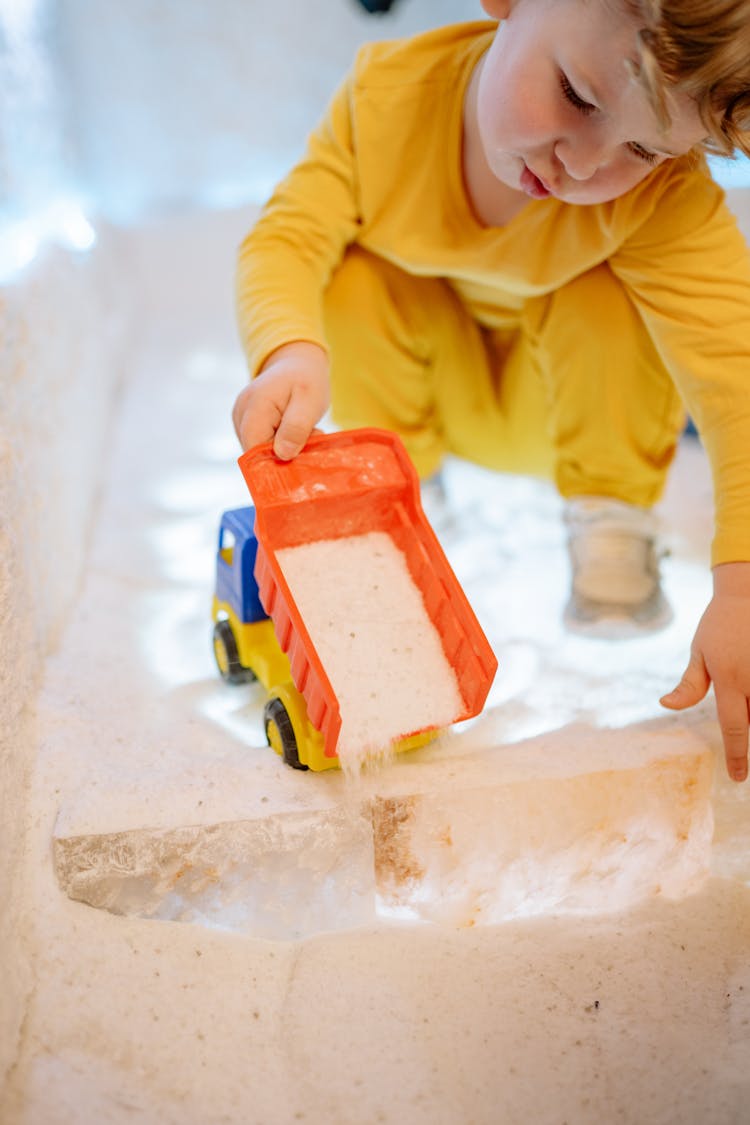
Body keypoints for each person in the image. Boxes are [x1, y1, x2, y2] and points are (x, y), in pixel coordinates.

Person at [232, 0, 750, 783]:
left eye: (643, 146)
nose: (585, 162)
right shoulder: (389, 101)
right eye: (577, 95)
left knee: (602, 295)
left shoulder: (659, 195)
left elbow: (733, 372)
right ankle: (408, 500)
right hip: (432, 401)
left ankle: (609, 512)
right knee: (350, 282)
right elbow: (289, 234)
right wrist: (287, 352)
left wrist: (742, 580)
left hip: (568, 415)